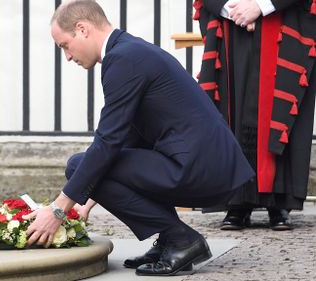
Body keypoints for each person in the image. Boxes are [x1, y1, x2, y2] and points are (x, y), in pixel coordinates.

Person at [22, 0, 254, 276]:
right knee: (87, 168)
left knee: (77, 165)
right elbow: (128, 139)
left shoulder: (123, 59)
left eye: (64, 45)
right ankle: (170, 239)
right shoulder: (130, 50)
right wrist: (87, 199)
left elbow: (107, 142)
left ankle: (181, 239)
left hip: (200, 170)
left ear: (82, 29)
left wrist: (59, 209)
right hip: (205, 166)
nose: (68, 57)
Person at [194, 0, 316, 230]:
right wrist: (235, 11)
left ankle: (279, 201)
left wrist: (262, 5)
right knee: (232, 106)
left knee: (278, 107)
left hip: (282, 18)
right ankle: (237, 201)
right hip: (232, 25)